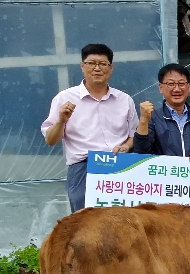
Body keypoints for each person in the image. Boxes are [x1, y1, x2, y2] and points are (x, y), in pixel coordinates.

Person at [41, 44, 137, 213]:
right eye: (92, 63)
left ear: (111, 68)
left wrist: (127, 146)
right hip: (84, 168)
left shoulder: (124, 99)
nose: (97, 68)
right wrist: (61, 121)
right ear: (82, 66)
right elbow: (50, 140)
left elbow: (134, 135)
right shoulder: (64, 98)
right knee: (85, 224)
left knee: (122, 222)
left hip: (121, 166)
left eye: (103, 64)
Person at [133, 64, 190, 161]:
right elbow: (140, 153)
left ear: (189, 87)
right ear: (160, 88)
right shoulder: (152, 118)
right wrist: (144, 120)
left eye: (181, 84)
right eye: (171, 84)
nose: (177, 89)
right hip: (163, 174)